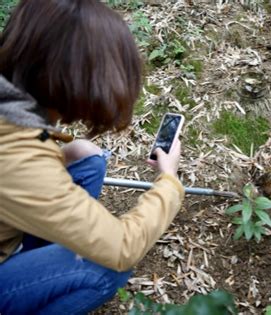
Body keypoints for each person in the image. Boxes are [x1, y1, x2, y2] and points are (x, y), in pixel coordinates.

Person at [0, 1, 184, 313]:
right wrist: (169, 181)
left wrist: (52, 155)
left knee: (87, 158)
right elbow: (123, 247)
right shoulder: (17, 157)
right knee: (105, 265)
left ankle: (43, 258)